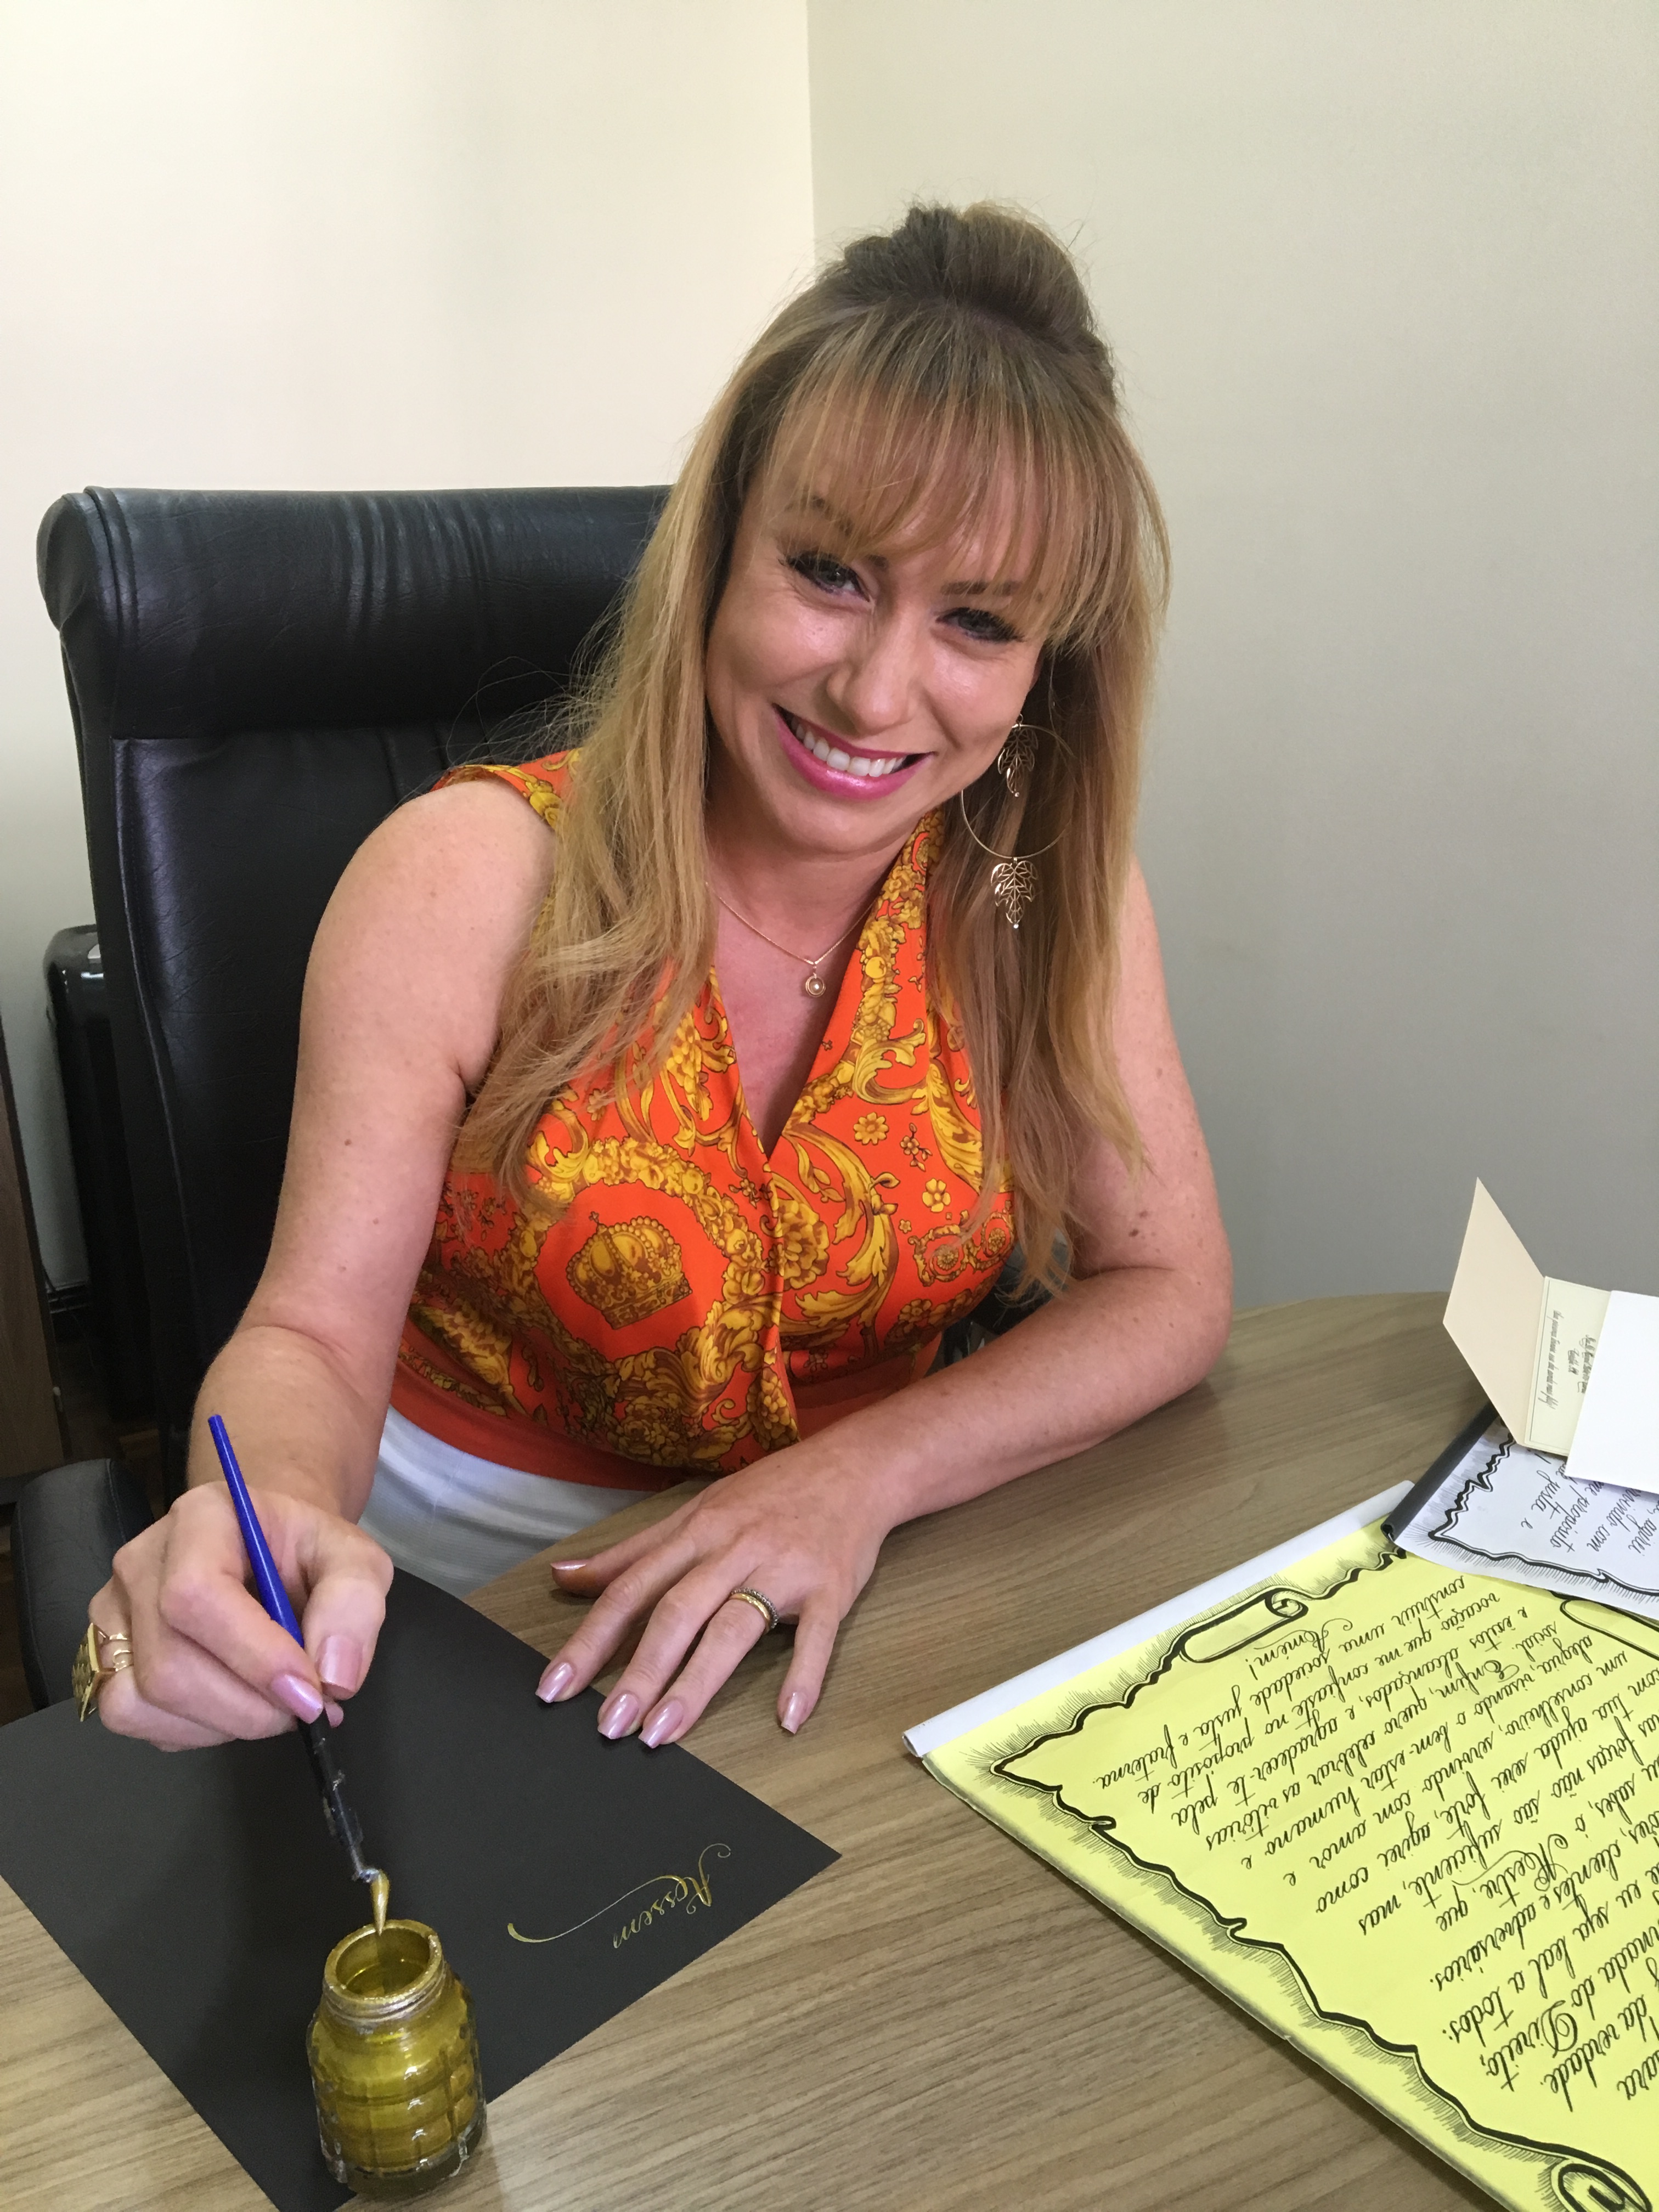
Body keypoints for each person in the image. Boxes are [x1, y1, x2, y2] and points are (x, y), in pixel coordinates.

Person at [88, 202, 1231, 1754]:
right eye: (829, 572)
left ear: (1050, 669)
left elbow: (1169, 1286)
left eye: (977, 620)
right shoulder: (462, 881)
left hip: (868, 1581)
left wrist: (859, 1475)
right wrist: (269, 1513)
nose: (876, 692)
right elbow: (311, 1337)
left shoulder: (1044, 900)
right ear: (716, 557)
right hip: (476, 1617)